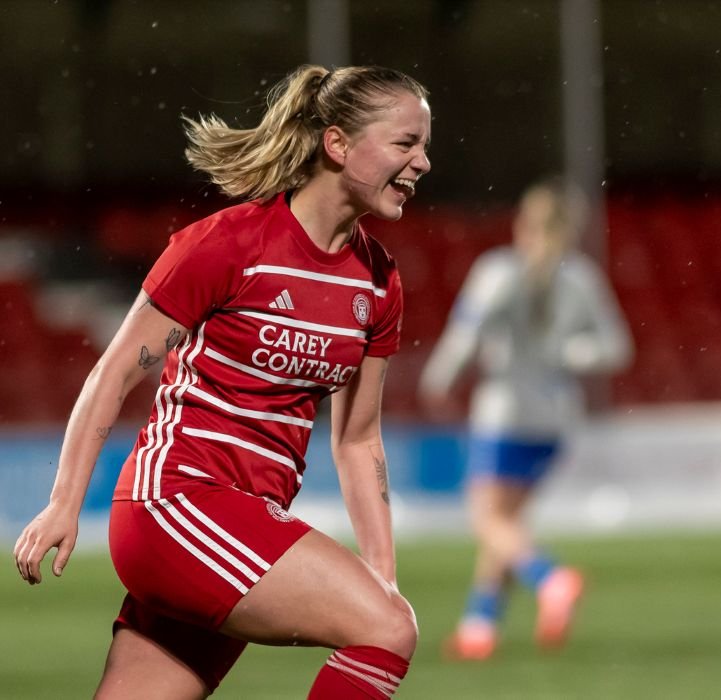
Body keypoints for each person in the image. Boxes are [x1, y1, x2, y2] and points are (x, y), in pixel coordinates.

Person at [13, 63, 432, 699]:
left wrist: (383, 574)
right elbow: (116, 372)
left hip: (241, 524)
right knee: (388, 631)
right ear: (338, 144)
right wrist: (65, 501)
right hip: (177, 504)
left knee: (384, 616)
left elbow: (357, 440)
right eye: (406, 143)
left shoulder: (378, 281)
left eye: (425, 145)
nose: (423, 162)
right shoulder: (227, 244)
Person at [418, 176, 634, 660]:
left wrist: (439, 380)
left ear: (522, 223)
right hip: (555, 420)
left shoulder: (499, 271)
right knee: (508, 524)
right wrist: (569, 354)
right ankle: (479, 628)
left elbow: (465, 335)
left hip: (505, 413)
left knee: (488, 520)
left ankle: (551, 579)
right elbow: (616, 349)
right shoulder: (581, 276)